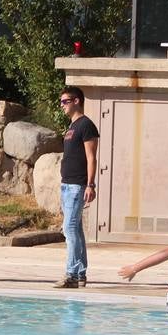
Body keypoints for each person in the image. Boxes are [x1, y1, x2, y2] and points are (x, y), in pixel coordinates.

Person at [54, 86, 98, 289]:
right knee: (76, 230)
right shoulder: (72, 126)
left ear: (76, 101)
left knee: (69, 229)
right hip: (67, 185)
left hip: (77, 185)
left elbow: (91, 157)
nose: (62, 105)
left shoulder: (86, 125)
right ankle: (80, 273)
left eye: (65, 101)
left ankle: (71, 273)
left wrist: (90, 184)